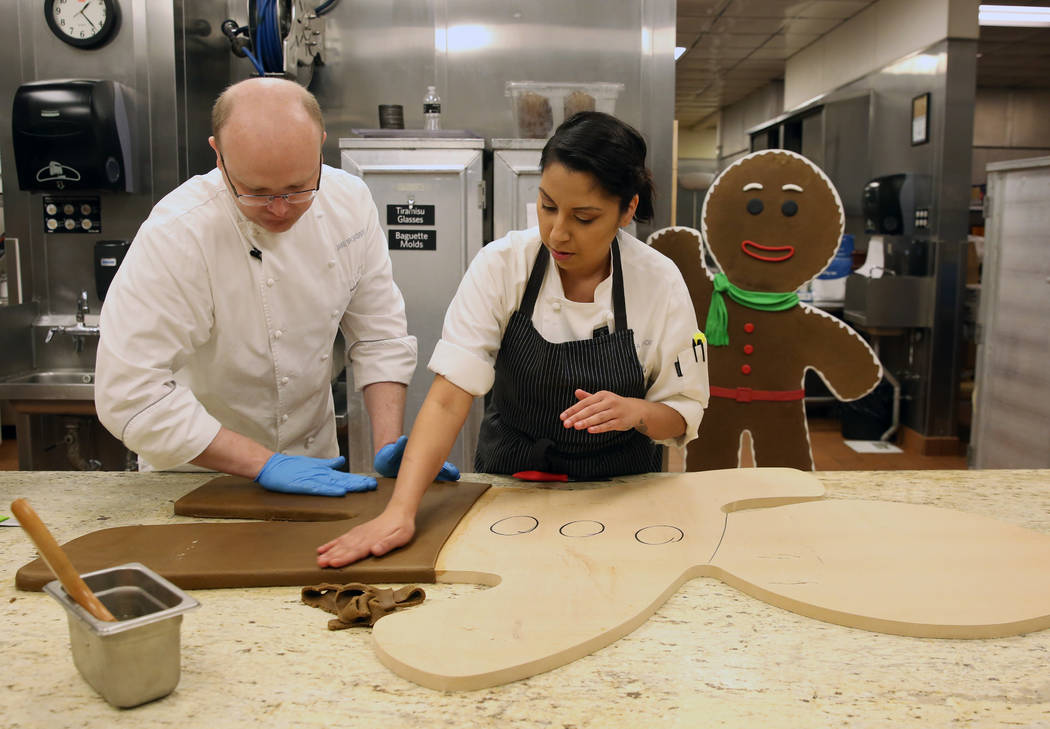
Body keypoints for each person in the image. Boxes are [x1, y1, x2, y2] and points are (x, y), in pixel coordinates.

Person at [316, 111, 709, 567]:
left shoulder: (658, 281)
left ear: (627, 210)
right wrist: (400, 512)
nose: (558, 233)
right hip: (512, 485)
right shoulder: (503, 265)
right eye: (547, 207)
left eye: (584, 217)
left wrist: (636, 411)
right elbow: (449, 396)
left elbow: (683, 412)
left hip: (619, 495)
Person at [95, 77, 435, 495]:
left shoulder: (349, 201)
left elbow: (379, 335)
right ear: (218, 156)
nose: (280, 209)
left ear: (321, 146)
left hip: (316, 465)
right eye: (257, 192)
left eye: (298, 189)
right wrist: (264, 463)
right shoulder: (178, 233)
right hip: (199, 474)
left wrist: (388, 445)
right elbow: (129, 394)